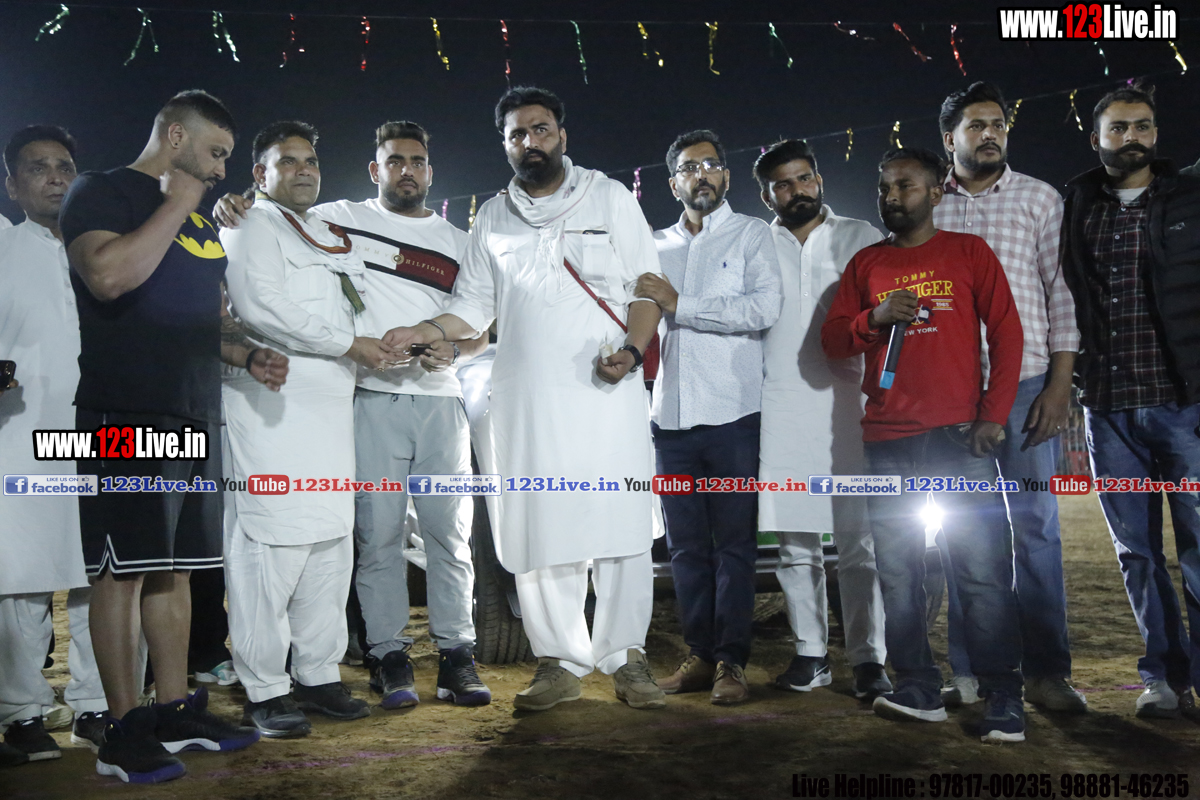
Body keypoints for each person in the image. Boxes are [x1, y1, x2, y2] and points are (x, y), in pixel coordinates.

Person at [384, 86, 665, 712]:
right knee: (540, 527)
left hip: (608, 390)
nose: (530, 142)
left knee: (620, 524)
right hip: (527, 402)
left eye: (540, 129)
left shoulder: (610, 197)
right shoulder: (492, 217)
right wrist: (425, 330)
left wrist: (633, 350)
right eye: (517, 134)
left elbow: (646, 289)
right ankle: (559, 661)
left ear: (561, 135)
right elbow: (472, 307)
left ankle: (627, 658)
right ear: (505, 144)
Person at [215, 120, 491, 710]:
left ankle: (448, 657)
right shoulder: (332, 220)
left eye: (417, 161)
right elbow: (263, 261)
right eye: (395, 161)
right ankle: (381, 658)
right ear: (375, 169)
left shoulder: (450, 238)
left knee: (432, 536)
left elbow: (480, 322)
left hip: (417, 401)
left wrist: (452, 347)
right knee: (367, 537)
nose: (407, 171)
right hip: (356, 396)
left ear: (431, 170)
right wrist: (233, 202)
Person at [59, 89, 270, 784]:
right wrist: (176, 203)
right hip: (123, 417)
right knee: (121, 571)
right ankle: (123, 728)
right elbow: (108, 276)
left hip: (194, 412)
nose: (220, 170)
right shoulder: (101, 191)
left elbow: (197, 317)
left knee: (175, 567)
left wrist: (245, 354)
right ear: (175, 136)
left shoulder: (199, 216)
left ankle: (174, 709)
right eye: (215, 153)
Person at [822, 147, 1026, 743]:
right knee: (897, 574)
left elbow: (1008, 333)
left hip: (958, 440)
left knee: (982, 572)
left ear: (937, 193)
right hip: (888, 441)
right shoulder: (867, 264)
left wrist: (993, 414)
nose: (892, 197)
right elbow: (834, 341)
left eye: (906, 186)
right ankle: (916, 686)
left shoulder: (969, 252)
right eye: (885, 187)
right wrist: (875, 317)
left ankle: (1003, 696)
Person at [221, 120, 390, 738]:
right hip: (271, 404)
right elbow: (260, 305)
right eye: (286, 161)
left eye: (310, 160)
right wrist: (349, 343)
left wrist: (399, 342)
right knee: (270, 544)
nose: (303, 170)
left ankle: (318, 674)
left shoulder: (328, 233)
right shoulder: (249, 224)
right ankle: (265, 686)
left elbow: (361, 309)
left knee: (328, 543)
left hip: (331, 408)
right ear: (259, 174)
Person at [933, 81, 1085, 712]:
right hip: (952, 397)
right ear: (950, 138)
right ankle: (970, 670)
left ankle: (1049, 672)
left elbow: (1062, 293)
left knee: (1036, 528)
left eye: (997, 123)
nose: (991, 133)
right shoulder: (929, 203)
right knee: (964, 532)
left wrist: (1059, 385)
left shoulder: (1039, 198)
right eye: (976, 125)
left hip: (1025, 390)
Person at [1059, 85, 1200, 718]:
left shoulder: (1190, 197)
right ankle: (1163, 677)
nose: (1131, 137)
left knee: (1198, 547)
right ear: (1096, 138)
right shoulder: (1076, 205)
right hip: (1109, 407)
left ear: (1156, 134)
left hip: (1184, 406)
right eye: (1118, 128)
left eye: (1142, 126)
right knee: (1137, 553)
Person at [637, 129, 781, 705]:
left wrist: (682, 305)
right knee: (685, 548)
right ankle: (698, 656)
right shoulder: (653, 246)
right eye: (690, 167)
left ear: (725, 175)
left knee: (735, 546)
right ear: (673, 183)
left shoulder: (751, 235)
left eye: (712, 165)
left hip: (733, 417)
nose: (703, 174)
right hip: (670, 423)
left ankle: (731, 663)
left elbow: (763, 309)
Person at [751, 139, 889, 699]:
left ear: (819, 180)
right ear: (767, 196)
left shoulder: (862, 237)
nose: (796, 191)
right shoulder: (756, 242)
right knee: (795, 546)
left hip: (850, 407)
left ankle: (869, 658)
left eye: (803, 178)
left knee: (860, 543)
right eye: (782, 184)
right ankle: (810, 653)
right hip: (779, 405)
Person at [0, 125, 105, 765]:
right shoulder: (3, 247)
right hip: (22, 435)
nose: (56, 176)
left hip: (107, 435)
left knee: (103, 571)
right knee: (25, 580)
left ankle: (97, 705)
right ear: (12, 185)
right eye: (37, 168)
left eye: (65, 165)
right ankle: (21, 713)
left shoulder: (105, 251)